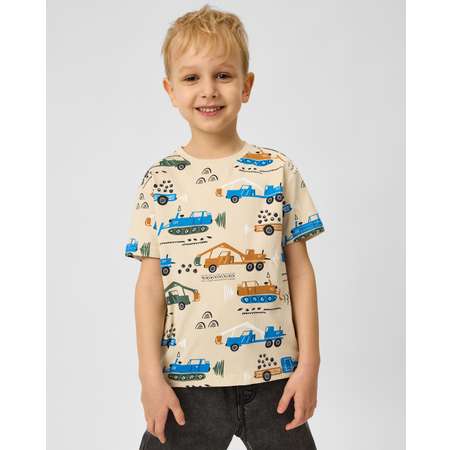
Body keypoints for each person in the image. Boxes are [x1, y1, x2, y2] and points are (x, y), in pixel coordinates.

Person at [124, 5, 325, 449]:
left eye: (223, 75)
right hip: (184, 387)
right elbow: (150, 286)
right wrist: (149, 376)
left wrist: (310, 364)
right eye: (191, 78)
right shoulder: (161, 179)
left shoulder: (276, 170)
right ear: (170, 90)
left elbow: (301, 272)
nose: (208, 90)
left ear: (246, 86)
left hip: (276, 381)